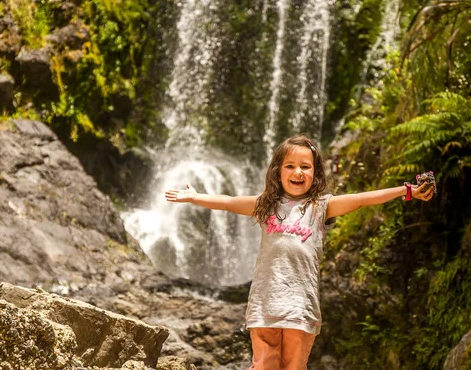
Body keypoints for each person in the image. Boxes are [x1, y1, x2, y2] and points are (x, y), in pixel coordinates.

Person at [165, 135, 434, 370]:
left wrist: (406, 190)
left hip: (300, 308)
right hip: (265, 305)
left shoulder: (321, 207)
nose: (298, 172)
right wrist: (195, 197)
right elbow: (228, 203)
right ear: (277, 172)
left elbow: (363, 198)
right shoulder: (265, 206)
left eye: (305, 167)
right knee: (263, 365)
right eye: (290, 166)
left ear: (315, 174)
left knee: (294, 366)